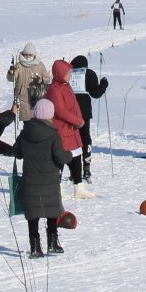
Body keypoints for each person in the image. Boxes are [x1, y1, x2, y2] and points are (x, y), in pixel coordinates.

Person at [14, 99, 69, 258]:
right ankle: (52, 243)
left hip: (31, 181)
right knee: (52, 211)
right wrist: (69, 155)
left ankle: (35, 247)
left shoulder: (25, 132)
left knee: (33, 214)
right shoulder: (53, 134)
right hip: (50, 180)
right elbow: (60, 156)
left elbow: (17, 153)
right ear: (50, 114)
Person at [44, 58, 87, 194]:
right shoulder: (54, 90)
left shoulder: (67, 87)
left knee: (76, 157)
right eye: (68, 73)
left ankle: (79, 187)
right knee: (60, 158)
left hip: (71, 129)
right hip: (61, 129)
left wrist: (80, 119)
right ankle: (57, 187)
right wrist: (76, 121)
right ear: (60, 73)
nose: (70, 76)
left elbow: (75, 105)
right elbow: (60, 111)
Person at [67, 55, 109, 182]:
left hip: (69, 111)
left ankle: (72, 169)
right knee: (85, 139)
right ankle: (86, 166)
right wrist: (103, 84)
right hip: (84, 111)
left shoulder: (68, 73)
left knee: (70, 139)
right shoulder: (89, 73)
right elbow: (95, 93)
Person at [6, 44, 49, 119]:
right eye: (26, 55)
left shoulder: (40, 65)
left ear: (34, 55)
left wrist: (41, 80)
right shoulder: (19, 65)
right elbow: (11, 79)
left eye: (30, 55)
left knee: (38, 122)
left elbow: (47, 79)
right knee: (26, 123)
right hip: (23, 100)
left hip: (37, 98)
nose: (28, 57)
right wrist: (11, 73)